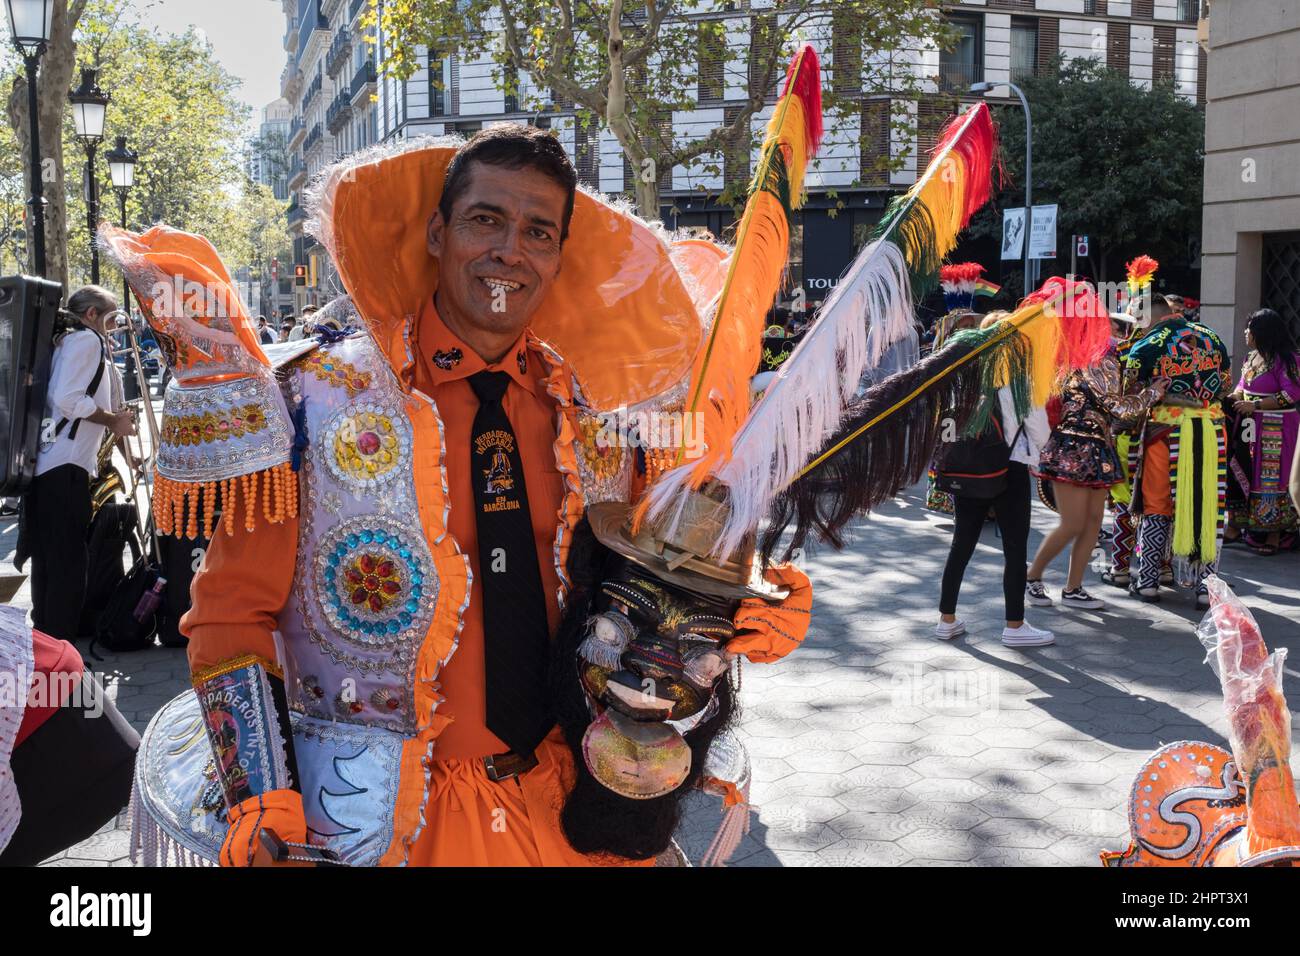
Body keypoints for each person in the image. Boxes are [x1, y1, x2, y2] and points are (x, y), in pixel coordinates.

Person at [106, 125, 809, 867]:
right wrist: (263, 800)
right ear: (439, 233)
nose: (510, 250)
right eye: (486, 220)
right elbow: (228, 616)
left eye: (538, 231)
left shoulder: (599, 417)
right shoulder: (312, 403)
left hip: (568, 808)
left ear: (558, 255)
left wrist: (745, 608)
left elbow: (652, 586)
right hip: (383, 825)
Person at [13, 286, 136, 641]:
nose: (115, 324)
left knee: (50, 561)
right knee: (68, 564)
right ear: (92, 315)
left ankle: (47, 641)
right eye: (110, 315)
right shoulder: (87, 341)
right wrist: (113, 420)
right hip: (64, 466)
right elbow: (67, 399)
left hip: (52, 464)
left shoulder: (71, 341)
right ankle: (60, 650)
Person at [937, 312, 1054, 648]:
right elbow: (1040, 432)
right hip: (1010, 469)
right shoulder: (1019, 380)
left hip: (967, 469)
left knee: (961, 543)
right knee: (1014, 548)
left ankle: (947, 619)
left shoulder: (965, 377)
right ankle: (1014, 626)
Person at [1026, 353, 1166, 609]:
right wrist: (1150, 394)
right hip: (1072, 446)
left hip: (1098, 447)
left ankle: (1073, 588)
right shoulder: (1094, 361)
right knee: (1073, 524)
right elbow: (1118, 407)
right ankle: (1032, 576)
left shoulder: (1077, 360)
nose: (1113, 332)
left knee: (1092, 523)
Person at [1124, 295, 1231, 609]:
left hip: (1165, 432)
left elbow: (1131, 399)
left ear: (1148, 319)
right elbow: (1224, 384)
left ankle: (1147, 583)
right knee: (1209, 505)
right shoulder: (1212, 337)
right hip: (1211, 430)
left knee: (1157, 505)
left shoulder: (1144, 347)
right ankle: (1205, 587)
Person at [1224, 308, 1300, 553]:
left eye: (1250, 328)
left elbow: (1292, 394)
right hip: (1249, 425)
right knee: (1243, 472)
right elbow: (1241, 385)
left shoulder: (1287, 359)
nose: (1246, 332)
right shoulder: (1251, 357)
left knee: (1271, 479)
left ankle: (1274, 535)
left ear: (1263, 332)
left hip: (1276, 427)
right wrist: (1233, 397)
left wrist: (1254, 404)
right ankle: (1236, 525)